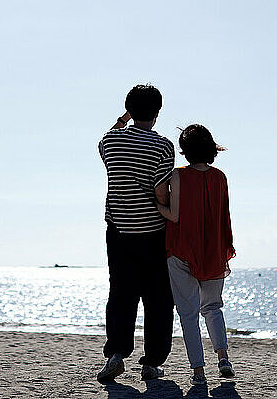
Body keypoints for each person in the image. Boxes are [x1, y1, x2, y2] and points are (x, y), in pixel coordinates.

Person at [96, 84, 175, 382]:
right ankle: (152, 363)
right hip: (154, 231)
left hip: (118, 230)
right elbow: (160, 190)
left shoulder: (111, 140)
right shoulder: (163, 147)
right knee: (158, 298)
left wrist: (122, 119)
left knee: (121, 293)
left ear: (129, 110)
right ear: (157, 112)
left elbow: (106, 144)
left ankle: (116, 354)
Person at [157, 124, 236, 385]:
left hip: (181, 250)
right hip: (213, 250)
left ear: (185, 150)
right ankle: (223, 358)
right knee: (213, 307)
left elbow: (174, 215)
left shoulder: (177, 176)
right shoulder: (220, 177)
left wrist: (156, 202)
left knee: (188, 314)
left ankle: (199, 373)